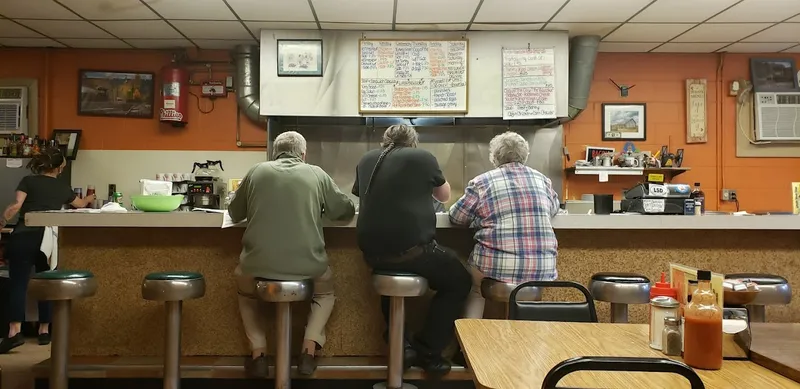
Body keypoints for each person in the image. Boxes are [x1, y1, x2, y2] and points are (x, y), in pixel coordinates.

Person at [227, 131, 355, 377]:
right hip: (310, 267)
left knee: (245, 292)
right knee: (325, 292)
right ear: (303, 154)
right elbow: (345, 210)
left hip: (256, 266)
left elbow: (234, 212)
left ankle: (259, 353)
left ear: (275, 153)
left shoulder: (256, 172)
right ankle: (308, 349)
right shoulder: (317, 174)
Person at [352, 124, 471, 377]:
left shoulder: (366, 159)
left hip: (372, 254)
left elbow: (360, 194)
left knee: (391, 272)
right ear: (413, 141)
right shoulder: (423, 157)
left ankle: (401, 344)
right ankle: (428, 349)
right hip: (414, 251)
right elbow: (444, 195)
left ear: (385, 141)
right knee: (459, 281)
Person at [448, 131, 560, 319]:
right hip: (541, 268)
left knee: (475, 290)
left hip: (495, 265)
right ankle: (526, 346)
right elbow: (553, 208)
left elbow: (456, 217)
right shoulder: (543, 180)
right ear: (525, 155)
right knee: (527, 291)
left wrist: (480, 219)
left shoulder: (482, 182)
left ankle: (467, 345)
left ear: (494, 157)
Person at [0, 147, 96, 353]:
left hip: (23, 236)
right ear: (60, 167)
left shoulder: (28, 181)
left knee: (18, 285)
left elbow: (16, 205)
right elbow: (79, 204)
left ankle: (14, 332)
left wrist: (2, 221)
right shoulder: (62, 187)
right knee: (47, 284)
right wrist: (89, 199)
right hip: (47, 240)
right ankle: (44, 331)